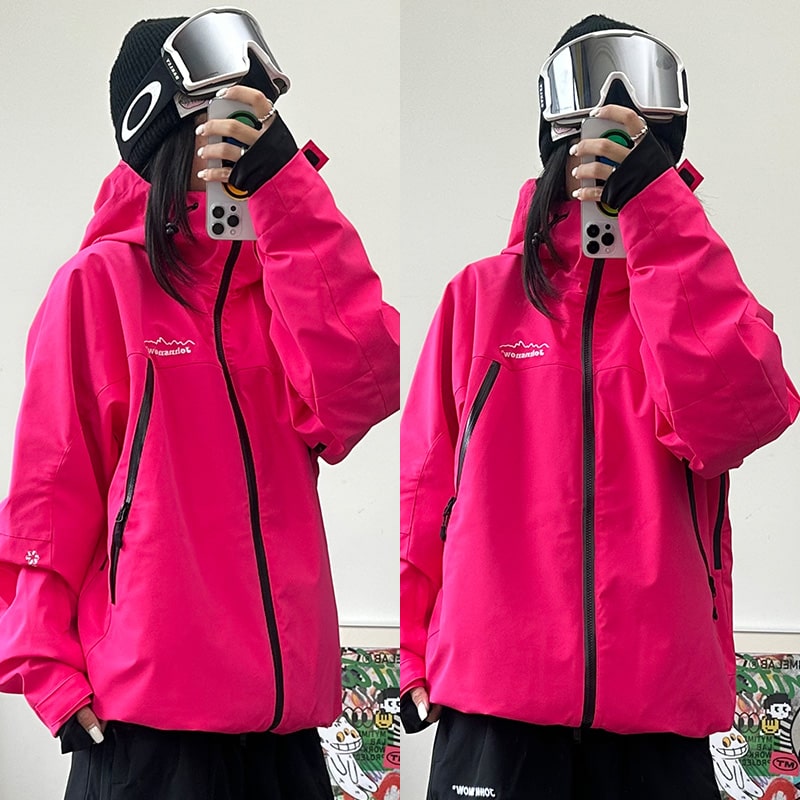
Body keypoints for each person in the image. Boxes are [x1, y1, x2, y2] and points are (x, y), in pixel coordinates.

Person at [0, 9, 399, 799]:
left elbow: (363, 388)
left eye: (260, 120)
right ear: (169, 130)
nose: (247, 137)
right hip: (148, 739)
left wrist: (292, 199)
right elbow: (50, 495)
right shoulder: (99, 286)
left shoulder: (281, 287)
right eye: (227, 117)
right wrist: (47, 677)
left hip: (283, 736)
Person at [400, 14, 798, 799]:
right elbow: (423, 487)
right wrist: (415, 650)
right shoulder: (479, 298)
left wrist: (662, 220)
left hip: (657, 715)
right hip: (494, 710)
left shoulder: (700, 298)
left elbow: (737, 419)